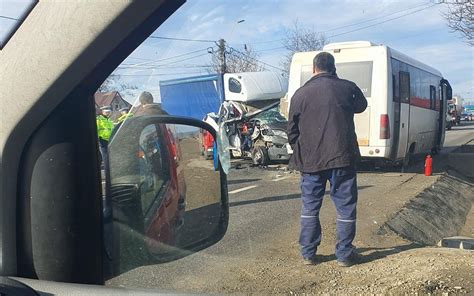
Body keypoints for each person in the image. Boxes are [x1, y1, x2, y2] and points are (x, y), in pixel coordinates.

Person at [287, 52, 367, 267]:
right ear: (333, 68)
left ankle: (308, 254)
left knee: (310, 208)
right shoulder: (347, 87)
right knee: (346, 207)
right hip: (342, 158)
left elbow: (292, 130)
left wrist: (301, 149)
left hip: (311, 161)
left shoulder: (300, 94)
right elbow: (361, 106)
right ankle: (344, 255)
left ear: (314, 69)